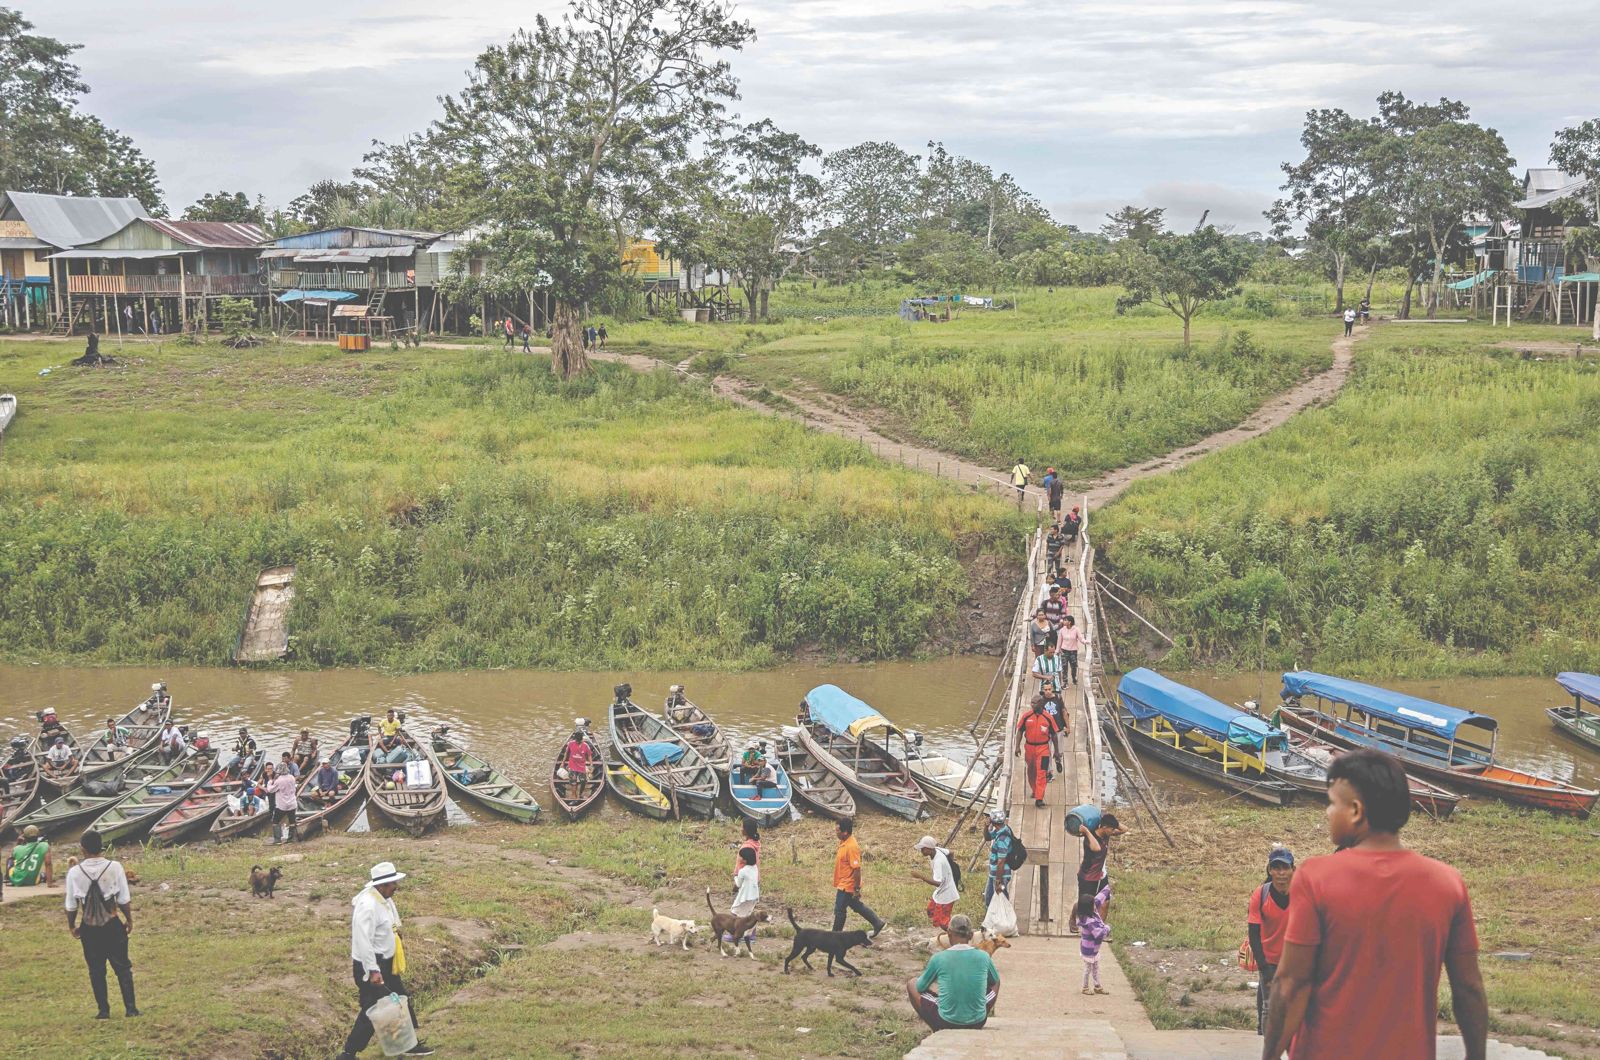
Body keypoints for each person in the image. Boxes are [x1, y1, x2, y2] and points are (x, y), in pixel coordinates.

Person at [1262, 749, 1486, 1060]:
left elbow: (1291, 984)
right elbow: (1469, 988)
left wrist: (1269, 1055)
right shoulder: (1447, 883)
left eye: (1331, 803)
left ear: (1355, 811)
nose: (1327, 813)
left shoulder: (1316, 878)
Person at [337, 862, 433, 1059]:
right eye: (393, 883)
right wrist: (373, 971)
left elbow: (391, 922)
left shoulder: (384, 899)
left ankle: (406, 1044)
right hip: (372, 966)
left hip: (386, 964)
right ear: (381, 885)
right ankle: (348, 1053)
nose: (396, 886)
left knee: (399, 999)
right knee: (372, 1009)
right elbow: (363, 941)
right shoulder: (368, 906)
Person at [64, 830, 138, 1019]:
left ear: (82, 849)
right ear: (101, 847)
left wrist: (72, 925)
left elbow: (71, 905)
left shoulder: (74, 872)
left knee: (96, 970)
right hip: (113, 924)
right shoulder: (114, 867)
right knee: (122, 967)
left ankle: (103, 1011)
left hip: (89, 927)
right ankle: (131, 1008)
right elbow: (123, 899)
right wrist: (128, 920)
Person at [906, 914, 1000, 1031]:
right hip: (978, 1022)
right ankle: (980, 1012)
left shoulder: (939, 958)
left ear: (949, 933)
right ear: (971, 935)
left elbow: (920, 987)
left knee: (912, 984)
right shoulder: (984, 956)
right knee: (996, 981)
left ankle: (935, 1028)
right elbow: (995, 982)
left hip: (946, 1021)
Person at [1248, 845, 1295, 1036]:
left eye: (1285, 868)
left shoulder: (1303, 893)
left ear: (1293, 869)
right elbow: (1253, 933)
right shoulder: (1260, 895)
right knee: (1269, 1007)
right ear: (1270, 870)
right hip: (1270, 960)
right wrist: (1264, 968)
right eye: (1276, 868)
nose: (1281, 873)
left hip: (1294, 961)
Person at [1069, 813, 1122, 934]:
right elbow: (1096, 848)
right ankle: (1073, 917)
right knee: (1085, 904)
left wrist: (1112, 821)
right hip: (1088, 876)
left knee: (1105, 901)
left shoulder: (1107, 833)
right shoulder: (1090, 837)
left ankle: (1100, 929)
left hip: (1101, 874)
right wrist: (1087, 831)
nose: (1114, 831)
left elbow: (1125, 829)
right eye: (1111, 828)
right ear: (1104, 827)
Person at [831, 818, 885, 936]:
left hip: (847, 885)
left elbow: (856, 869)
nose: (836, 833)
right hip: (843, 882)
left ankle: (834, 936)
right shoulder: (844, 842)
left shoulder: (851, 847)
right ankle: (877, 922)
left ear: (845, 832)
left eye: (837, 831)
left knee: (840, 910)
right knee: (855, 905)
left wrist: (856, 889)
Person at [1014, 696, 1062, 809]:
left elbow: (1054, 735)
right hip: (1029, 748)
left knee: (1042, 772)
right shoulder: (1027, 716)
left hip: (1044, 749)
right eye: (1031, 703)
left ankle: (1039, 798)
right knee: (1031, 771)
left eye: (1035, 703)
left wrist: (1056, 751)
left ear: (1041, 703)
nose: (1032, 705)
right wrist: (1017, 747)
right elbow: (1020, 730)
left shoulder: (1048, 717)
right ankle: (1035, 791)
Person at [912, 836, 960, 933]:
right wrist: (949, 868)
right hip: (941, 892)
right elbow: (951, 852)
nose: (921, 851)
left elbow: (938, 883)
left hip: (947, 895)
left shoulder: (938, 861)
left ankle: (957, 935)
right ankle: (952, 928)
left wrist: (921, 877)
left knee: (943, 923)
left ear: (929, 849)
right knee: (931, 910)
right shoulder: (937, 850)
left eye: (923, 849)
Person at [1077, 886, 1111, 995]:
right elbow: (1099, 934)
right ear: (1088, 907)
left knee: (1096, 968)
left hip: (1094, 949)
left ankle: (1097, 986)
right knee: (1088, 969)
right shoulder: (1089, 921)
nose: (1095, 906)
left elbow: (1099, 898)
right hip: (1089, 950)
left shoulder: (1091, 910)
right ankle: (1085, 988)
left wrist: (1108, 888)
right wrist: (1107, 928)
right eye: (1093, 905)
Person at [983, 810, 1014, 907]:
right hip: (994, 873)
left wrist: (998, 881)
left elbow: (1001, 861)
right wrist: (986, 827)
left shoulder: (1002, 838)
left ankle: (1005, 919)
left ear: (993, 821)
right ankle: (992, 918)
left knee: (1002, 898)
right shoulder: (999, 830)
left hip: (1001, 874)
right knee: (989, 898)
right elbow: (988, 837)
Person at [265, 762, 298, 844]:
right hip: (292, 803)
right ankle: (291, 839)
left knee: (275, 821)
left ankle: (277, 839)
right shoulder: (292, 777)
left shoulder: (279, 780)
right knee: (292, 821)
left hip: (282, 805)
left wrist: (270, 781)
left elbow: (270, 790)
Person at [1059, 616, 1083, 686]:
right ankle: (1065, 682)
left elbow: (1081, 638)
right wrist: (1057, 650)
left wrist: (1085, 641)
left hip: (1073, 651)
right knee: (1064, 666)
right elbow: (1059, 641)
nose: (1063, 622)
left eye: (1065, 620)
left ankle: (1074, 678)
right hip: (1064, 651)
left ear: (1070, 622)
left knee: (1073, 666)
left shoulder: (1076, 629)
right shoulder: (1062, 630)